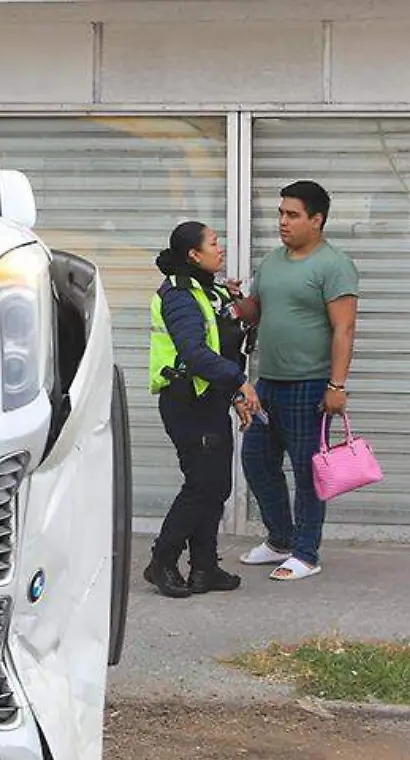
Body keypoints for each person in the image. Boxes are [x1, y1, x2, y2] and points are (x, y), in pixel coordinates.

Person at [235, 180, 361, 582]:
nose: (283, 222)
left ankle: (306, 553)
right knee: (255, 459)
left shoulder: (334, 265)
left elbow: (344, 329)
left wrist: (336, 386)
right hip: (267, 382)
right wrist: (235, 301)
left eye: (293, 215)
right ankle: (280, 540)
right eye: (281, 213)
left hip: (309, 385)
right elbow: (259, 313)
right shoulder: (271, 262)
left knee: (309, 472)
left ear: (317, 219)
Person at [142, 222, 264, 599]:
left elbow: (221, 346)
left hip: (209, 399)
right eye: (213, 243)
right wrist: (240, 382)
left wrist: (233, 393)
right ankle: (162, 560)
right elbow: (195, 354)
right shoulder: (179, 295)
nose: (221, 248)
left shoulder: (205, 290)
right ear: (194, 254)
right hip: (186, 402)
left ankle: (204, 568)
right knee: (202, 486)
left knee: (215, 487)